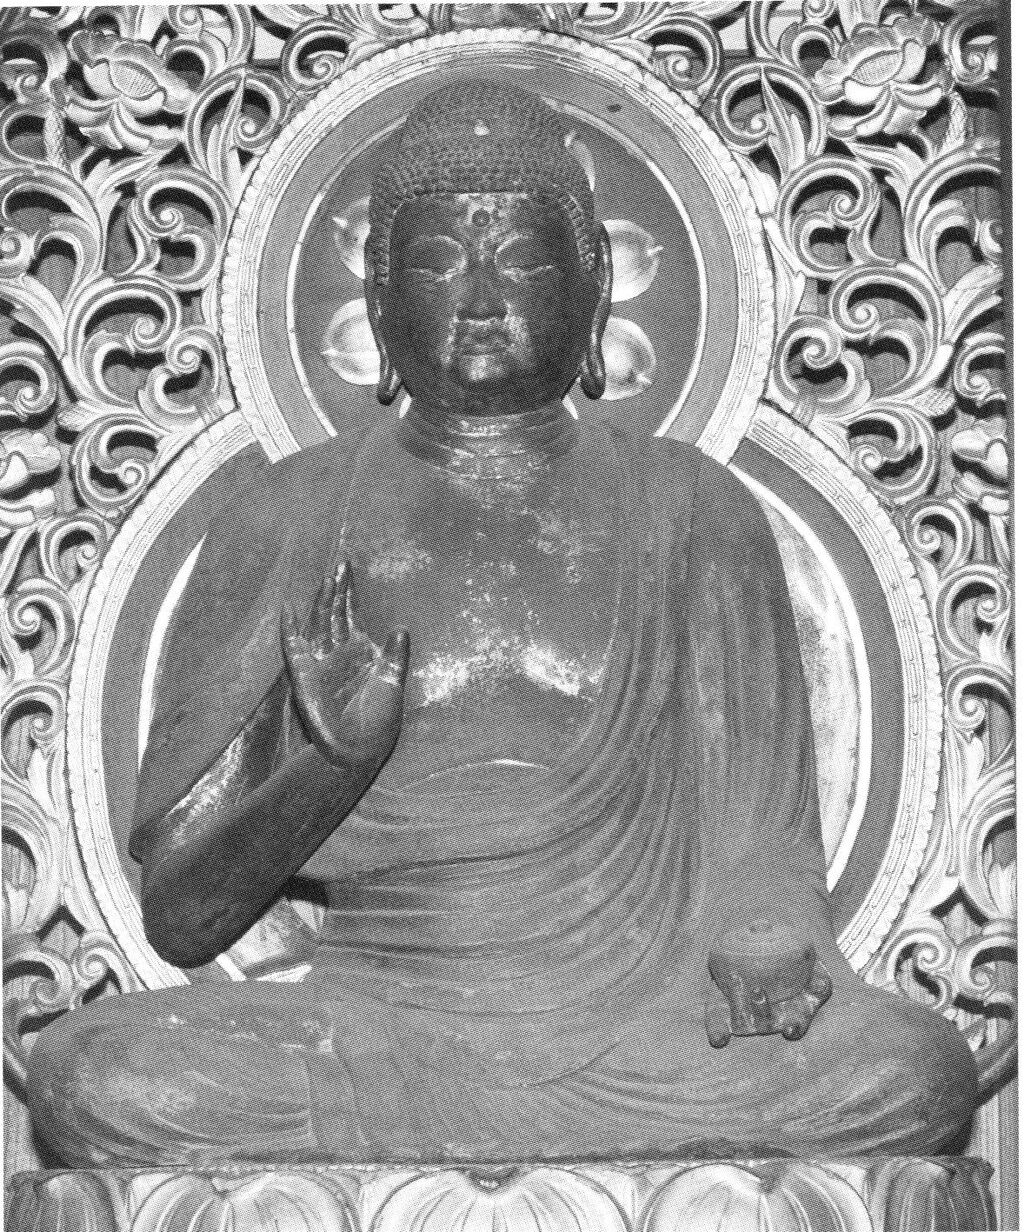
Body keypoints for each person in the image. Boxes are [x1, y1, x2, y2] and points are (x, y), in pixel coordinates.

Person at [28, 80, 976, 1167]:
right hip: (370, 1030)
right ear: (377, 293)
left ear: (594, 282)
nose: (479, 298)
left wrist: (770, 935)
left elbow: (766, 842)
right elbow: (182, 913)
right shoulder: (291, 514)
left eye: (521, 261)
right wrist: (328, 767)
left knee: (914, 1070)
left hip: (645, 1027)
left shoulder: (690, 510)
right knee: (92, 1074)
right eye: (437, 264)